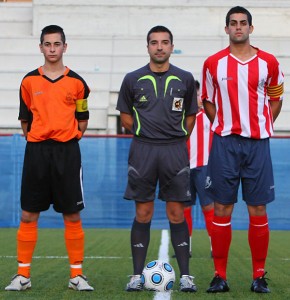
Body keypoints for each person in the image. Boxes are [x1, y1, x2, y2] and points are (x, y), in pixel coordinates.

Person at [5, 25, 94, 292]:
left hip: (67, 153)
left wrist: (67, 137)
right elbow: (25, 121)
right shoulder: (29, 81)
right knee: (29, 214)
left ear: (65, 47)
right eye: (48, 44)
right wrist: (39, 138)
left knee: (72, 215)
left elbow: (83, 120)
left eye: (57, 44)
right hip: (37, 153)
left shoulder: (78, 83)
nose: (52, 49)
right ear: (41, 47)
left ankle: (77, 276)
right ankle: (22, 275)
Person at [201, 6, 284, 293]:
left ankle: (259, 276)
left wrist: (261, 124)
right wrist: (223, 124)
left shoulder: (269, 62)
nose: (238, 27)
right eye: (233, 23)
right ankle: (219, 275)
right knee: (222, 208)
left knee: (258, 208)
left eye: (243, 23)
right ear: (226, 29)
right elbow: (208, 101)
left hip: (257, 145)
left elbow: (276, 98)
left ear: (251, 28)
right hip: (225, 143)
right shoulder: (213, 63)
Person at [116, 25, 198, 293]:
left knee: (176, 213)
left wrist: (178, 135)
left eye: (164, 42)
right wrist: (143, 133)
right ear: (148, 46)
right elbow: (125, 116)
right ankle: (136, 276)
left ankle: (186, 275)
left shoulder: (185, 79)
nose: (159, 47)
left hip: (175, 150)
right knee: (144, 211)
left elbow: (190, 116)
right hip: (143, 150)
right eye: (154, 42)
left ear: (172, 47)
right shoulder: (132, 79)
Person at [173, 80, 214, 258]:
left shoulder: (210, 115)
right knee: (185, 209)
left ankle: (216, 247)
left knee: (209, 208)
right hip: (183, 168)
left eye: (197, 94)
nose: (195, 98)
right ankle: (185, 248)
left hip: (205, 167)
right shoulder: (179, 115)